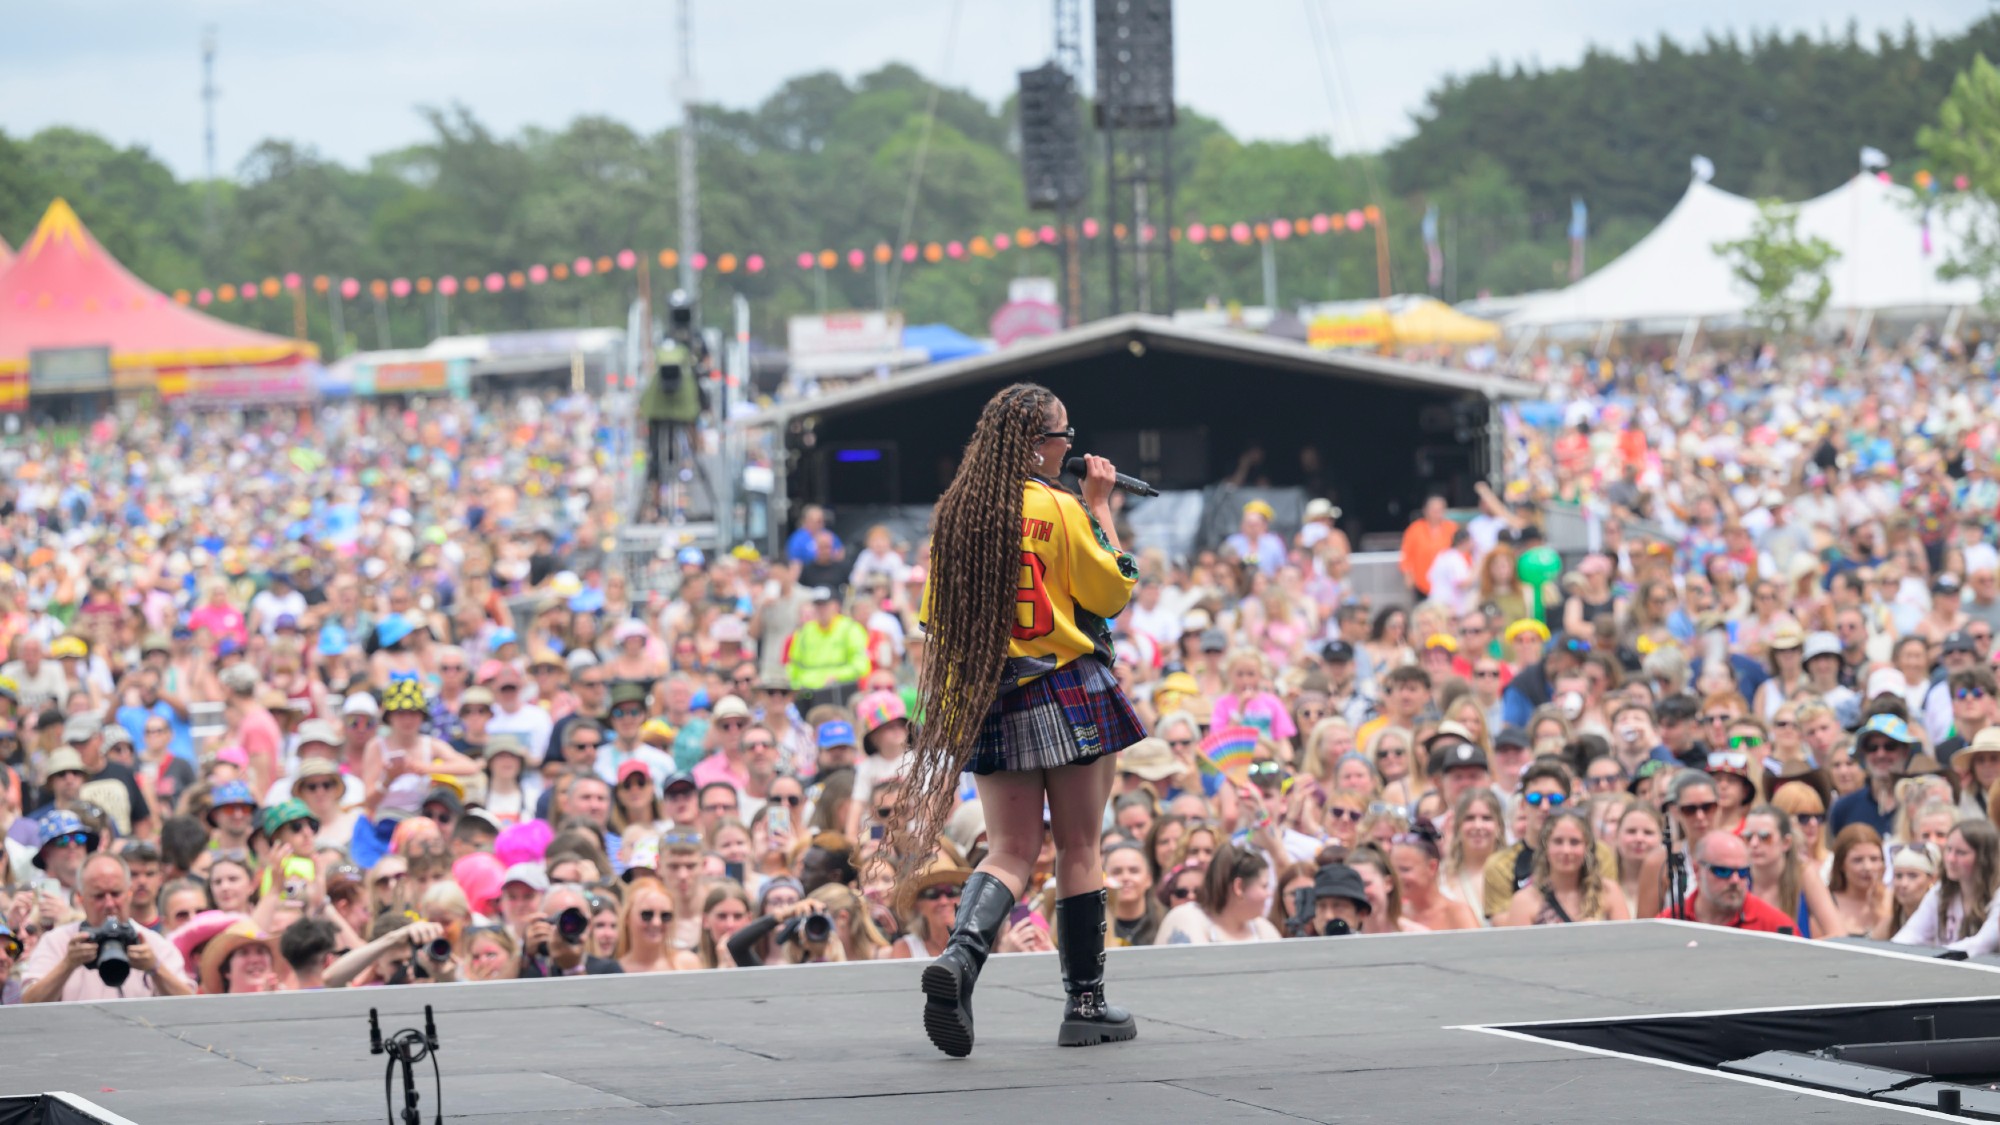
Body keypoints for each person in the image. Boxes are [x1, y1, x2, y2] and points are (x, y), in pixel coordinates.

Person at [897, 384, 1147, 1058]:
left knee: (1009, 850)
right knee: (1079, 848)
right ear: (1039, 444)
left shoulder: (957, 516)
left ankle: (960, 958)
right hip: (1068, 687)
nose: (1070, 445)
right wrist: (1100, 506)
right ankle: (1085, 1003)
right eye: (1065, 434)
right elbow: (1114, 588)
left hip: (994, 696)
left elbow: (934, 618)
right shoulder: (1062, 508)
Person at [20, 853, 192, 1001]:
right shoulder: (58, 942)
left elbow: (190, 1004)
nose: (109, 904)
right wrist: (68, 964)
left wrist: (154, 968)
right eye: (99, 896)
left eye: (116, 894)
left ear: (129, 893)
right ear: (81, 898)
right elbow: (29, 1004)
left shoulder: (152, 944)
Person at [1496, 811, 1630, 926]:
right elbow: (1517, 954)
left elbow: (1627, 947)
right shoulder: (1524, 901)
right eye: (1558, 841)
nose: (1566, 850)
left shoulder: (1608, 892)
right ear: (1545, 847)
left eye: (1574, 842)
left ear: (1587, 848)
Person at [1658, 831, 1797, 932]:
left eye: (1743, 872)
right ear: (1697, 870)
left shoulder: (1774, 926)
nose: (1735, 880)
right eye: (1723, 871)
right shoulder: (1669, 922)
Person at [1894, 820, 2000, 952]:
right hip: (1943, 968)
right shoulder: (1941, 891)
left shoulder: (1997, 896)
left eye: (1961, 853)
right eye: (1949, 849)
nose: (1950, 859)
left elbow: (1982, 944)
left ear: (1984, 858)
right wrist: (1890, 952)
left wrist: (1935, 956)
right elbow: (1912, 933)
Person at [1154, 842, 1280, 945]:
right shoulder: (1186, 918)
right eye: (1264, 886)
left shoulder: (1262, 928)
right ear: (1239, 887)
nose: (1269, 894)